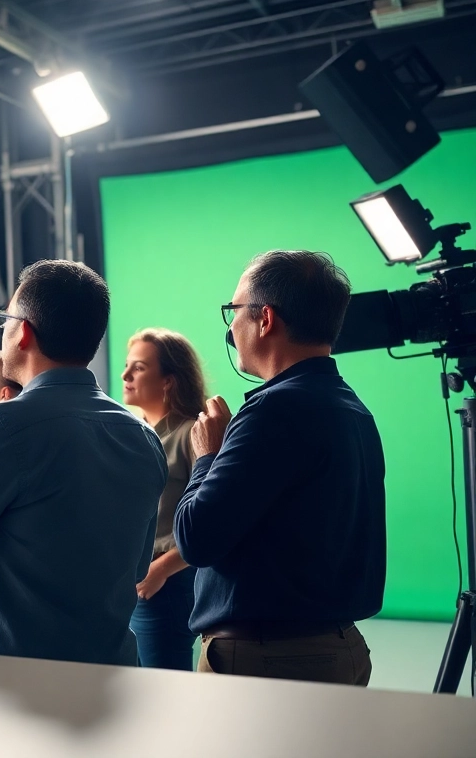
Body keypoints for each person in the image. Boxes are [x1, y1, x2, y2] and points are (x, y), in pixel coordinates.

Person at [0, 260, 166, 665]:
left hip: (14, 678)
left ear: (23, 331)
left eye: (5, 320)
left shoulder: (4, 425)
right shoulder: (143, 437)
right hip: (108, 671)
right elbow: (134, 568)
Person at [175, 251, 384, 686]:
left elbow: (196, 538)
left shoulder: (273, 413)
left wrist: (207, 456)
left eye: (234, 311)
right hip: (339, 648)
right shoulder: (352, 409)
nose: (231, 327)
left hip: (266, 664)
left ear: (265, 319)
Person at [121, 329, 206, 670]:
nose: (126, 376)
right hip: (133, 587)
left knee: (165, 693)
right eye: (127, 366)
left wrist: (160, 570)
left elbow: (210, 524)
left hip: (166, 586)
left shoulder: (193, 434)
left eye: (138, 368)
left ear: (169, 380)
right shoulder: (132, 433)